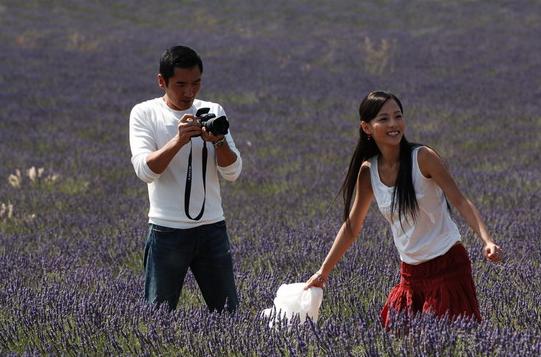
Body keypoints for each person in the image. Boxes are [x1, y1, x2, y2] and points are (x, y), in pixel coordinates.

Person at [304, 90, 503, 327]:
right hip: (410, 274)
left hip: (448, 266)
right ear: (367, 128)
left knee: (443, 341)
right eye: (384, 119)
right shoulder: (369, 172)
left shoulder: (423, 158)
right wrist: (323, 272)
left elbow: (460, 200)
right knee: (400, 339)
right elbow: (351, 227)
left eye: (398, 116)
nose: (394, 124)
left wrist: (487, 240)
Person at [129, 45, 242, 313]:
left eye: (196, 83)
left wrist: (219, 142)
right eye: (180, 85)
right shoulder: (145, 113)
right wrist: (179, 140)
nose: (189, 92)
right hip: (167, 231)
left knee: (229, 314)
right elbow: (145, 171)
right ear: (161, 81)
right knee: (158, 315)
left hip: (212, 228)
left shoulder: (213, 110)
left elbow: (233, 172)